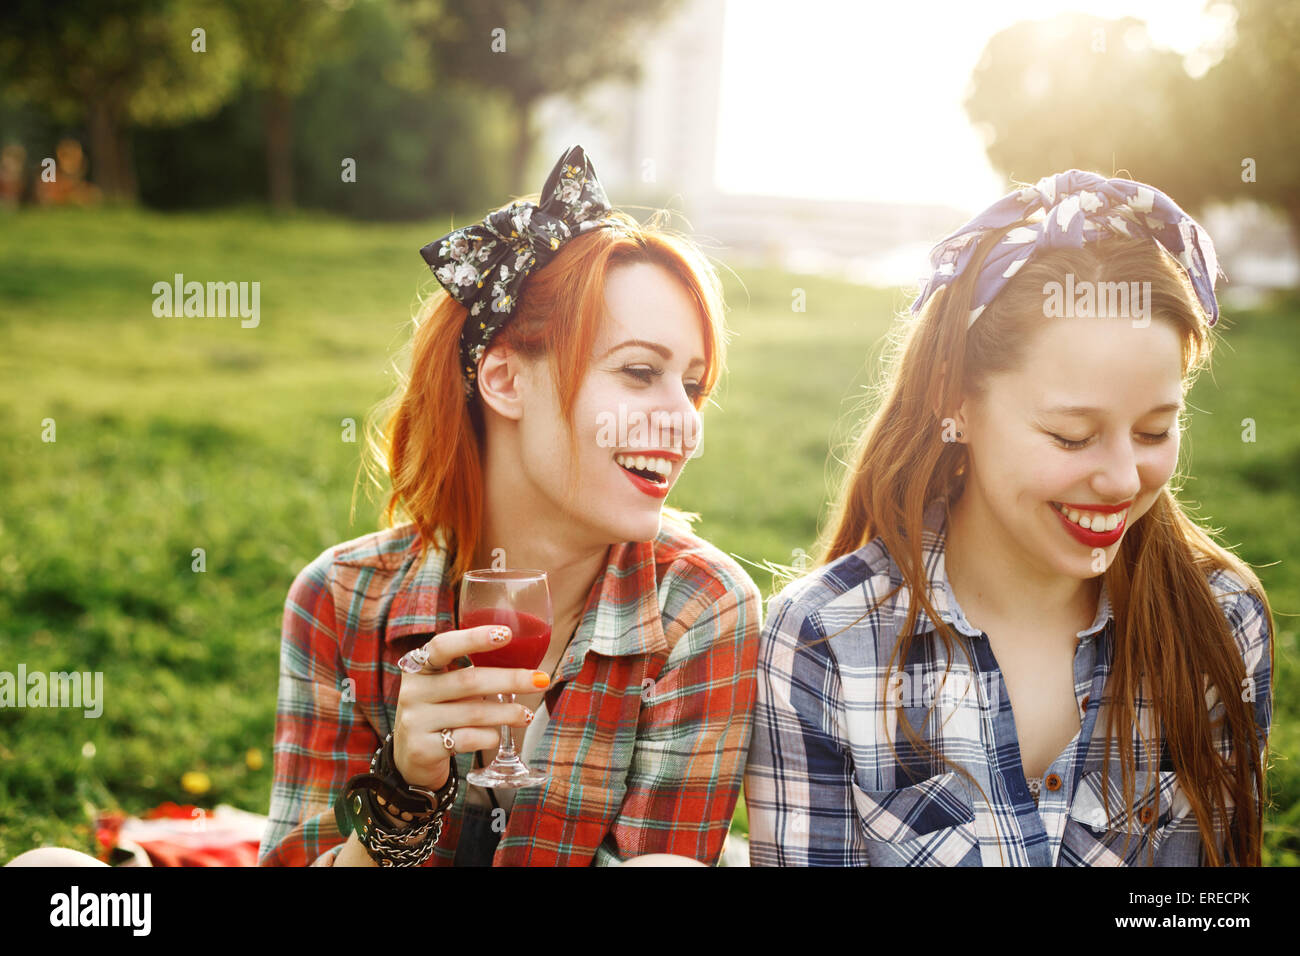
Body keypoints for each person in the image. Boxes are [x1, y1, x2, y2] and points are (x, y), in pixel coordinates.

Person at [744, 171, 1274, 867]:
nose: (1121, 478)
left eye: (1153, 432)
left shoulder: (1223, 621)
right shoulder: (824, 642)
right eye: (1071, 436)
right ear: (955, 403)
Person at [257, 146, 761, 867]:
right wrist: (404, 793)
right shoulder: (340, 602)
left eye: (693, 386)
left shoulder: (700, 610)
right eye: (640, 372)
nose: (684, 422)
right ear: (503, 379)